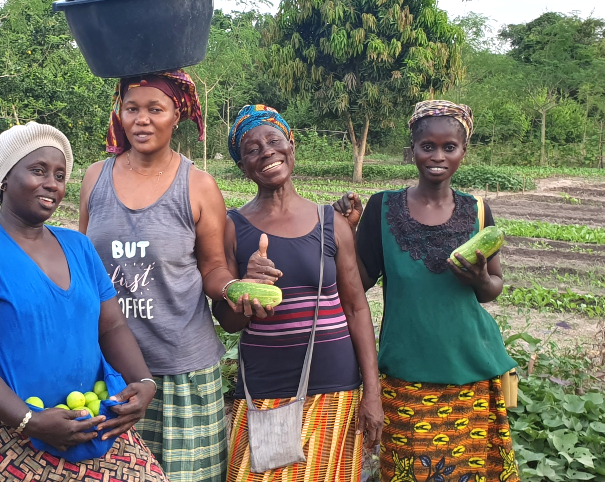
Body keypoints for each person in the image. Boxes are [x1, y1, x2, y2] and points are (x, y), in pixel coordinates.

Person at [0, 122, 168, 482]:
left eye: (60, 174)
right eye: (38, 170)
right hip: (5, 429)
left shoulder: (78, 247)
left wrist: (143, 381)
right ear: (4, 178)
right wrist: (28, 420)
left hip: (90, 421)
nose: (53, 183)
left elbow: (111, 325)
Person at [79, 71, 272, 482]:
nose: (141, 119)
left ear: (177, 115)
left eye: (155, 109)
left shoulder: (199, 186)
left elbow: (213, 267)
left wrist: (233, 287)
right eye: (132, 108)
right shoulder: (95, 178)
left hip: (182, 371)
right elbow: (81, 266)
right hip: (109, 370)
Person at [334, 100, 519, 482]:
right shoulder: (383, 208)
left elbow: (493, 288)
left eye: (449, 147)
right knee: (406, 472)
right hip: (406, 374)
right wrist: (343, 232)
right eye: (427, 146)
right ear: (412, 149)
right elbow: (358, 284)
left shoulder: (479, 211)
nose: (437, 156)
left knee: (470, 472)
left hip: (470, 371)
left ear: (463, 152)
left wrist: (480, 279)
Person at [213, 105, 383, 482]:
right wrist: (247, 291)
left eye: (274, 140)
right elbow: (226, 321)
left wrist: (372, 393)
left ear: (292, 145)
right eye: (252, 149)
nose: (266, 151)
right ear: (243, 166)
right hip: (263, 386)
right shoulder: (232, 227)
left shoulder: (331, 222)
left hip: (334, 385)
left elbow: (357, 309)